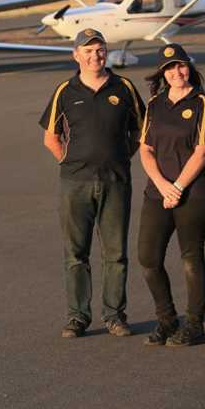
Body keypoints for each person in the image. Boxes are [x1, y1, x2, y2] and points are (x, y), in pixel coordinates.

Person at [40, 28, 145, 338]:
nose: (94, 56)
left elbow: (141, 130)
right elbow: (51, 137)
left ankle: (115, 316)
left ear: (105, 52)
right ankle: (77, 317)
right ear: (76, 55)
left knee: (116, 254)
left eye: (99, 50)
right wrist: (68, 161)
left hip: (116, 181)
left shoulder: (124, 87)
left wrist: (124, 155)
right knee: (76, 253)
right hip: (76, 183)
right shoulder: (65, 90)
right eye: (87, 51)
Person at [137, 44, 205, 347]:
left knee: (190, 258)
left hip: (194, 191)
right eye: (170, 68)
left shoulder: (202, 102)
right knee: (147, 258)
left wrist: (179, 187)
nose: (176, 72)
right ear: (163, 73)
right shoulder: (155, 104)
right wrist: (162, 185)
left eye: (181, 66)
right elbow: (145, 150)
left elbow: (203, 150)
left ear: (189, 67)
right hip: (158, 191)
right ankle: (167, 319)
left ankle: (195, 325)